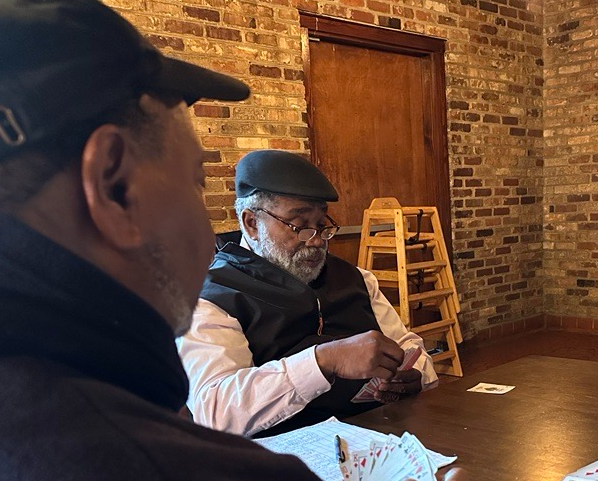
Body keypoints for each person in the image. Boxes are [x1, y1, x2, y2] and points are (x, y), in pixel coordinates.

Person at [0, 2, 516, 481]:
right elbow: (212, 421)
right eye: (194, 183)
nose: (206, 226)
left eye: (320, 225)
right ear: (111, 186)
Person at [177, 149, 439, 436]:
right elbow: (214, 411)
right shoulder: (212, 297)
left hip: (376, 443)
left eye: (322, 226)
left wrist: (416, 376)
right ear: (252, 223)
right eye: (300, 226)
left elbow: (411, 349)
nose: (316, 241)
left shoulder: (356, 279)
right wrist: (324, 361)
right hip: (278, 464)